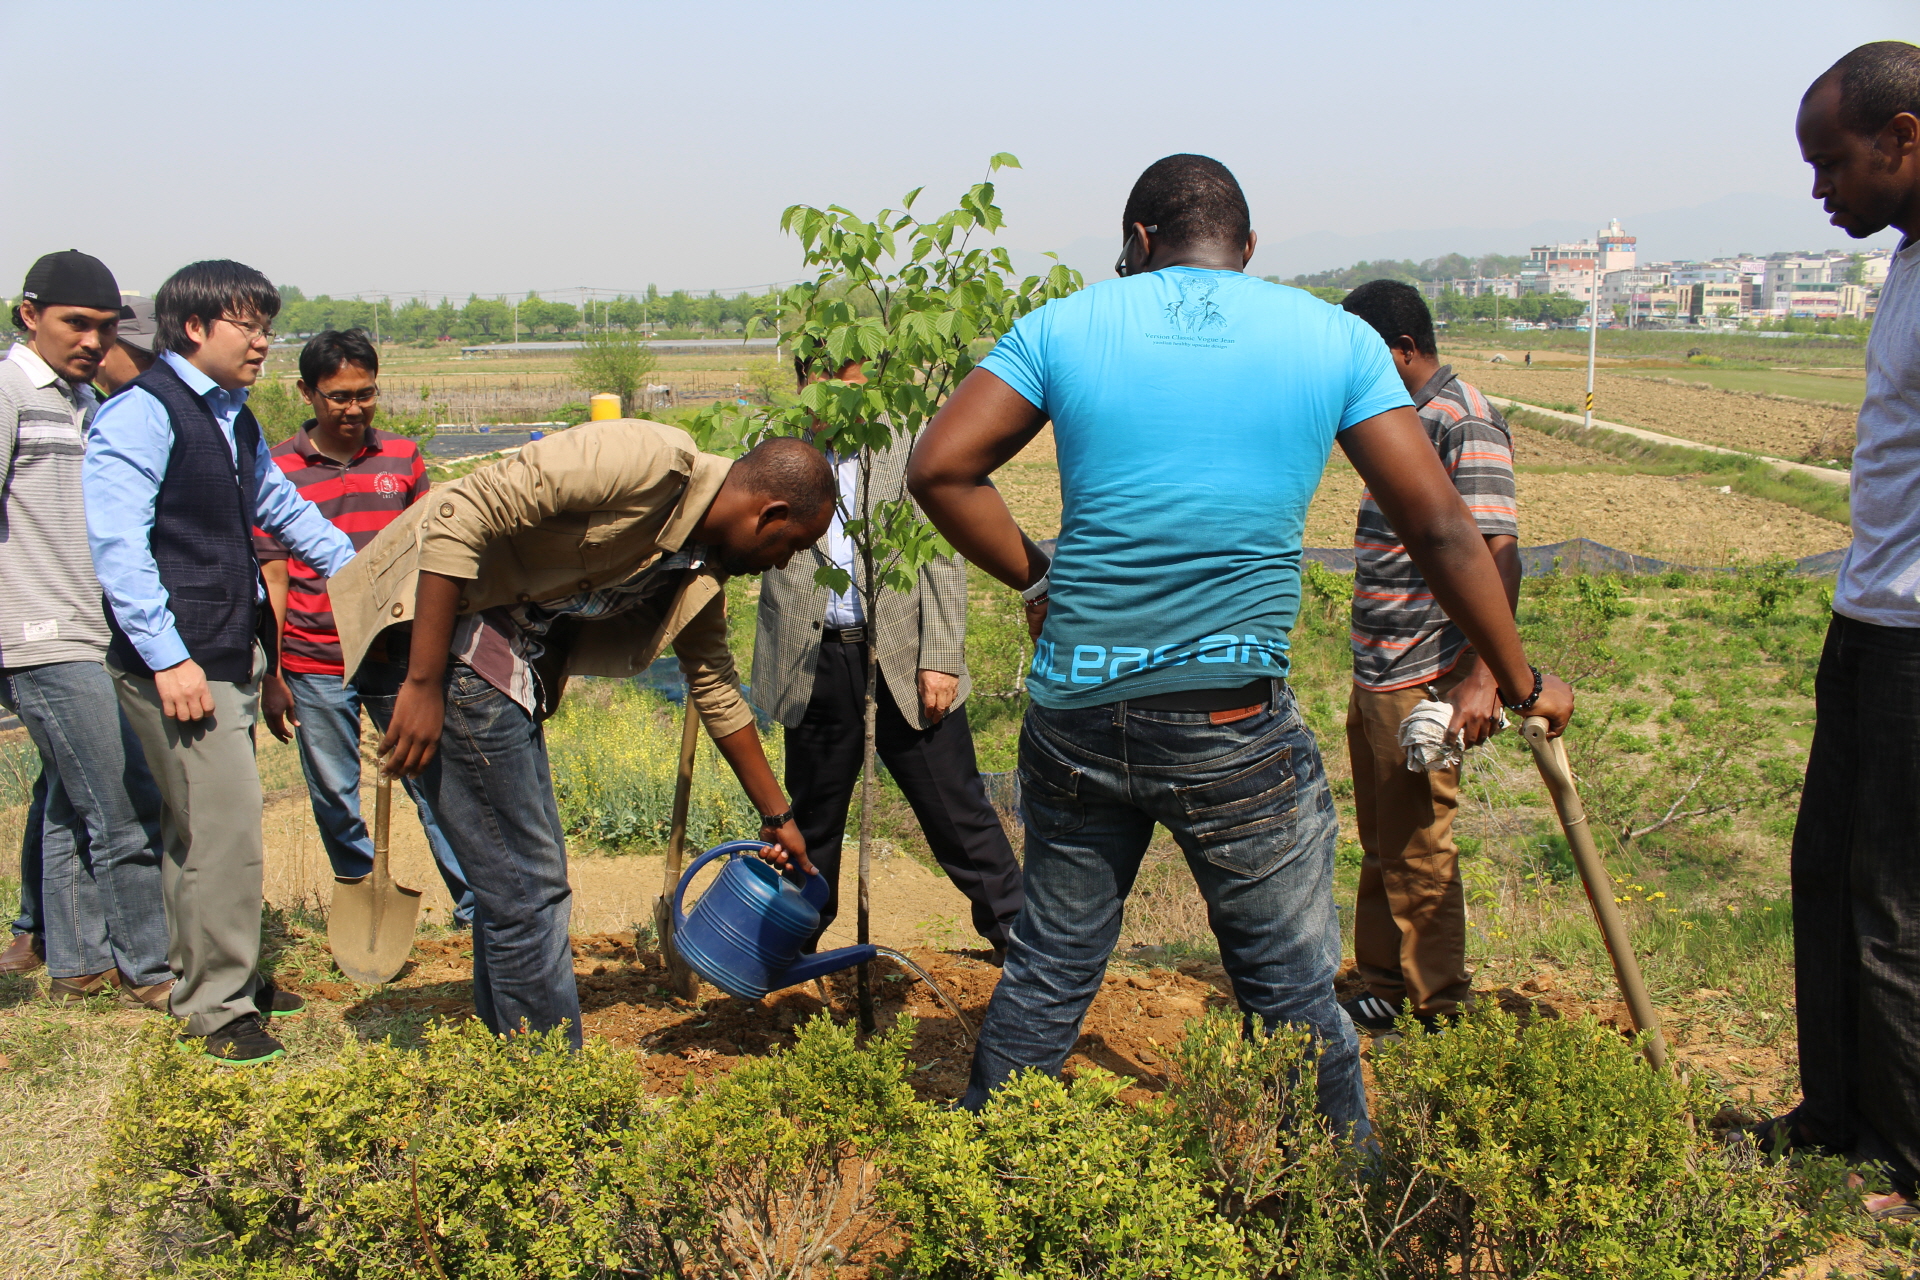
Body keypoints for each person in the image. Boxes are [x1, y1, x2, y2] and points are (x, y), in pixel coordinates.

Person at [907, 154, 1572, 1138]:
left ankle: (982, 1182)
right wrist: (1518, 678)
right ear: (1248, 248)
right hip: (1229, 723)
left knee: (1050, 963)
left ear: (1137, 242)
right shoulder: (1332, 339)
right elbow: (1440, 528)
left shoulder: (1063, 325)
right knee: (1290, 992)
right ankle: (1339, 1212)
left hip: (1078, 709)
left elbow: (939, 467)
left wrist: (1039, 576)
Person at [333, 425, 835, 1049]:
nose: (783, 563)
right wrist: (423, 680)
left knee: (513, 889)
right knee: (528, 892)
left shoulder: (700, 569)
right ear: (771, 514)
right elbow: (462, 512)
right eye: (792, 545)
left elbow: (715, 687)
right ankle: (553, 1093)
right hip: (434, 639)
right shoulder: (651, 463)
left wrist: (777, 813)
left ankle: (516, 1066)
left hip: (491, 666)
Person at [87, 260, 358, 1065]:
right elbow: (119, 550)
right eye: (251, 325)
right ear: (197, 327)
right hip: (182, 663)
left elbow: (280, 507)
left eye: (268, 325)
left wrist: (363, 572)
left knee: (195, 834)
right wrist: (167, 659)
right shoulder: (143, 414)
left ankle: (207, 977)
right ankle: (220, 1007)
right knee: (227, 833)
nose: (265, 342)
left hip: (218, 653)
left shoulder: (231, 419)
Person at [1756, 40, 1920, 1220]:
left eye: (1834, 162)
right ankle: (1834, 1116)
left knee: (1893, 902)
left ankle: (1903, 1157)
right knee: (1825, 873)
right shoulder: (1907, 261)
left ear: (1904, 138)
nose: (1822, 190)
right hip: (1865, 616)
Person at [753, 361, 1024, 961]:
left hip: (902, 661)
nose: (840, 403)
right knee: (812, 822)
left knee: (958, 811)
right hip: (813, 662)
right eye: (823, 385)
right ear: (803, 382)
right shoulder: (777, 446)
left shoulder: (911, 439)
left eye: (853, 387)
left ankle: (1022, 945)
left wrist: (942, 657)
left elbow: (943, 554)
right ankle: (789, 954)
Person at [1334, 281, 1519, 1033]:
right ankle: (1381, 979)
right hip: (1380, 664)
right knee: (1382, 841)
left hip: (1423, 669)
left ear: (1403, 350)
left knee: (1419, 844)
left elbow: (1498, 554)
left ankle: (1438, 1003)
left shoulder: (1461, 418)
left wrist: (1484, 678)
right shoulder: (1401, 421)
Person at [254, 330, 474, 926]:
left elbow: (434, 557)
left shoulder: (402, 458)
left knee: (432, 782)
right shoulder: (275, 468)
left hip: (395, 654)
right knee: (334, 792)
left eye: (364, 394)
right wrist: (273, 675)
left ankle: (473, 905)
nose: (352, 409)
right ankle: (363, 896)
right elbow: (273, 580)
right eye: (336, 397)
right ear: (307, 393)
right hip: (315, 656)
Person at [0, 251, 172, 1007]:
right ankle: (150, 969)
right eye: (76, 323)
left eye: (105, 328)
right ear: (30, 313)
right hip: (39, 631)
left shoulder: (80, 402)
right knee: (125, 801)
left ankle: (75, 963)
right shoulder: (9, 390)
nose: (93, 342)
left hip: (84, 626)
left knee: (75, 799)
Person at [96, 295, 158, 397]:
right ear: (103, 348)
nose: (158, 367)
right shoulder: (79, 406)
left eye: (164, 357)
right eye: (146, 357)